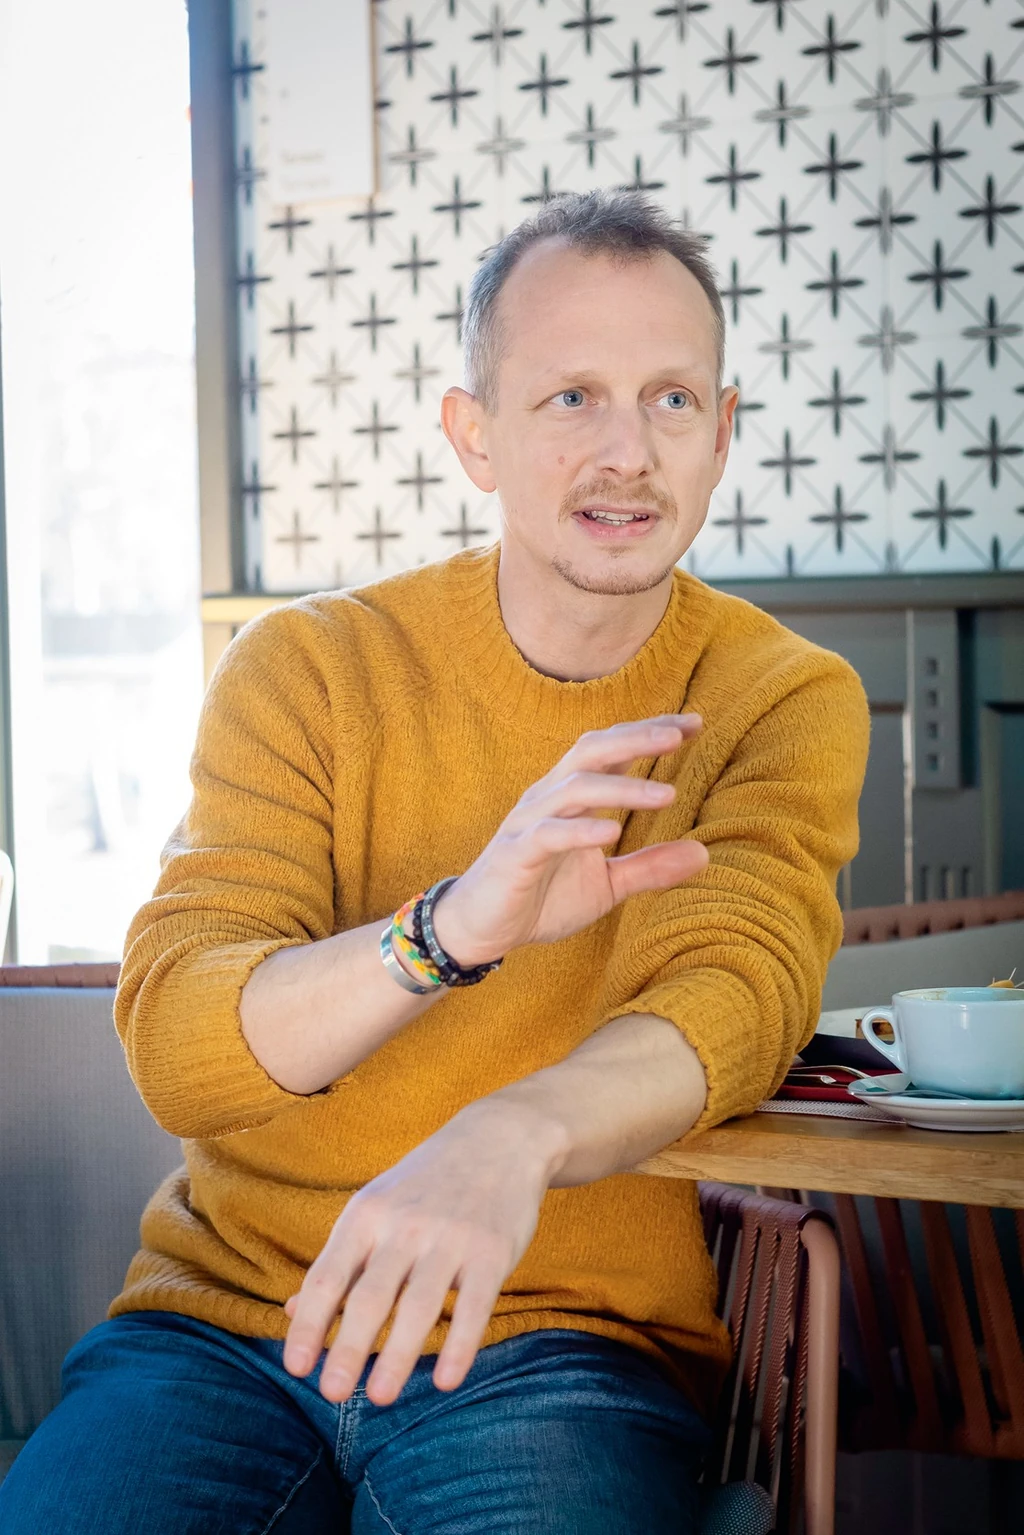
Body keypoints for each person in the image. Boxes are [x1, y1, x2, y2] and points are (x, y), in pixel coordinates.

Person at [0, 189, 869, 1533]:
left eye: (672, 399)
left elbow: (735, 998)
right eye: (571, 397)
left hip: (564, 1347)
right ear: (474, 435)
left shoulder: (780, 694)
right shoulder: (306, 667)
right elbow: (180, 1046)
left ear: (722, 432)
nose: (628, 451)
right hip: (227, 1330)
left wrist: (507, 1137)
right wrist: (453, 927)